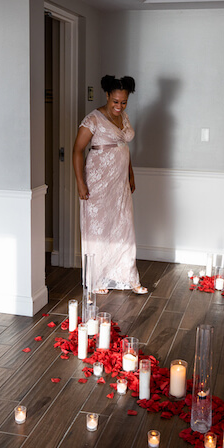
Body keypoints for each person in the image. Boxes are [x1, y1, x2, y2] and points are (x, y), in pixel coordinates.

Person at [72, 75, 148, 295]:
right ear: (107, 96)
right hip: (98, 181)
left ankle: (129, 277)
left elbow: (123, 147)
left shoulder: (123, 117)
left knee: (123, 227)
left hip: (119, 182)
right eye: (115, 101)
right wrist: (80, 183)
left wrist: (130, 173)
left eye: (123, 102)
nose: (119, 106)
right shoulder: (93, 119)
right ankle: (97, 279)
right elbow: (77, 150)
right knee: (99, 230)